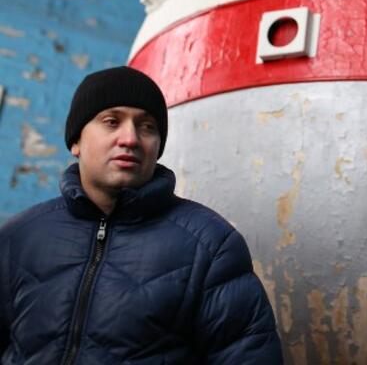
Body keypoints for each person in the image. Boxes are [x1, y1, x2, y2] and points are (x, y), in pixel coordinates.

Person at [0, 66, 283, 364]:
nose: (131, 138)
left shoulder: (210, 246)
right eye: (111, 121)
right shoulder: (18, 238)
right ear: (76, 141)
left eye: (147, 126)